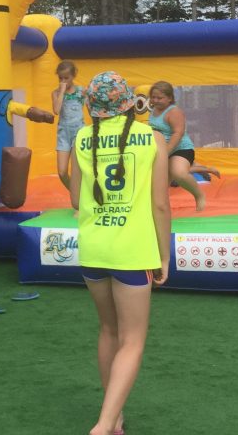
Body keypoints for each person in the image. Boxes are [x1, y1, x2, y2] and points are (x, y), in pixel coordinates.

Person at [69, 72, 171, 435]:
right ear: (130, 103)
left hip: (94, 248)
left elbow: (73, 199)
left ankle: (115, 419)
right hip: (132, 251)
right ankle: (104, 424)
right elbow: (160, 204)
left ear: (93, 108)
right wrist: (164, 256)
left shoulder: (82, 137)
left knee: (108, 330)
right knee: (133, 340)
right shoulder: (153, 138)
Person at [147, 81, 219, 212]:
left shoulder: (173, 112)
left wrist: (167, 151)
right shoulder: (154, 111)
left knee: (179, 173)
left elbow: (178, 133)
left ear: (169, 98)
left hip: (181, 149)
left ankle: (199, 195)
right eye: (153, 97)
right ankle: (160, 210)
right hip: (162, 150)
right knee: (160, 184)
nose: (155, 100)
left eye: (160, 98)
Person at [52, 60, 86, 190]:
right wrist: (61, 91)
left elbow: (90, 108)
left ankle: (78, 201)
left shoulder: (80, 92)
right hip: (63, 135)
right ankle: (76, 194)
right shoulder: (55, 93)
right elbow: (56, 110)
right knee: (62, 172)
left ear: (73, 76)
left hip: (78, 133)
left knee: (78, 171)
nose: (63, 81)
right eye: (60, 78)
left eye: (67, 78)